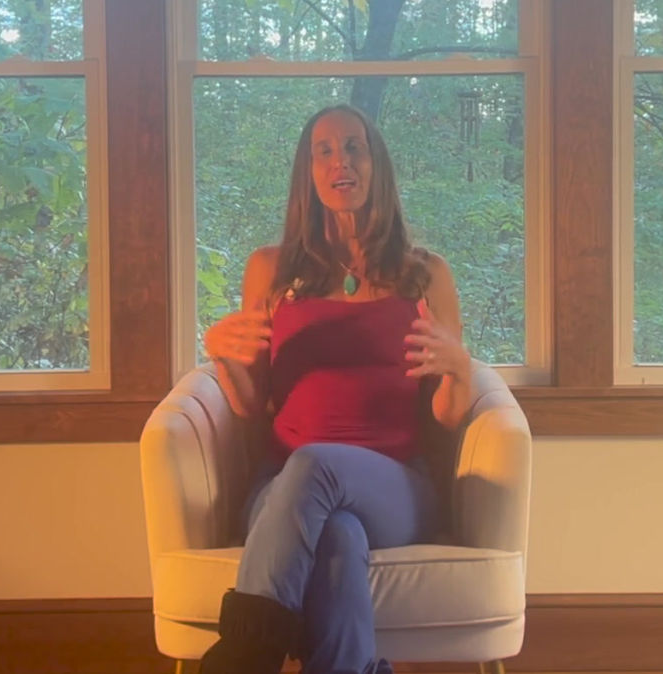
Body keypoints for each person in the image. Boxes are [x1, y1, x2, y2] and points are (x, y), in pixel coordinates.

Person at [199, 104, 472, 674]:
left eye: (353, 147)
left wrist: (459, 369)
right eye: (323, 151)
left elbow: (447, 417)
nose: (339, 161)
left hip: (396, 486)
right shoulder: (270, 270)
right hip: (282, 492)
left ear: (376, 165)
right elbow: (250, 405)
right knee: (338, 538)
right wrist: (220, 354)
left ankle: (245, 653)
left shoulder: (426, 274)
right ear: (308, 173)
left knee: (318, 463)